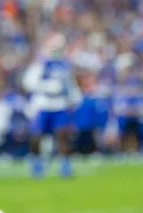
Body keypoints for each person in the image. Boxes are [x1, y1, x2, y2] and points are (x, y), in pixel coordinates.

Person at [23, 32, 82, 179]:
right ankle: (36, 162)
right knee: (37, 135)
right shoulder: (41, 62)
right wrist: (46, 86)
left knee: (62, 134)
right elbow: (28, 82)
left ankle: (65, 165)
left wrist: (75, 97)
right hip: (43, 102)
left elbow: (70, 83)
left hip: (60, 103)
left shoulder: (65, 64)